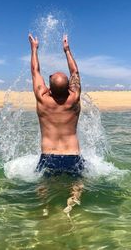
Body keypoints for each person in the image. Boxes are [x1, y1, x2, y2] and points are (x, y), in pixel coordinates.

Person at [28, 34, 85, 177]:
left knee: (44, 191)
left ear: (50, 88)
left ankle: (46, 199)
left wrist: (34, 49)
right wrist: (67, 50)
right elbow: (75, 72)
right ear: (68, 88)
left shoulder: (42, 98)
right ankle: (75, 197)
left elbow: (35, 71)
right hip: (73, 155)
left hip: (48, 156)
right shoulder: (74, 98)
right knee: (77, 185)